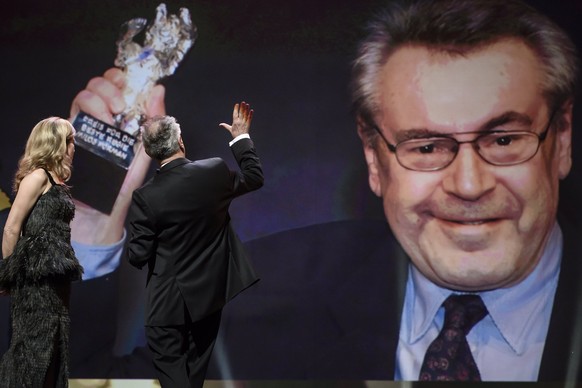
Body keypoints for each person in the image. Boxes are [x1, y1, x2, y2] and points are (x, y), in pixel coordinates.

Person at [212, 0, 582, 382]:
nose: (470, 186)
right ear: (374, 157)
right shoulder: (250, 302)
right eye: (426, 147)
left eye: (504, 141)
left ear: (564, 138)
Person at [126, 102, 264, 387]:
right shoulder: (213, 171)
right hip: (207, 304)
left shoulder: (145, 197)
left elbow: (137, 256)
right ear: (180, 141)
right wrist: (240, 138)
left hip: (166, 310)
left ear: (151, 152)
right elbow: (254, 178)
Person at [0, 117, 84, 387]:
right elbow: (13, 228)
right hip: (36, 277)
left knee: (55, 345)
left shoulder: (56, 180)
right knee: (34, 348)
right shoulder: (37, 176)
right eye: (70, 141)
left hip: (56, 276)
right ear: (55, 144)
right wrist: (8, 274)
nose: (74, 146)